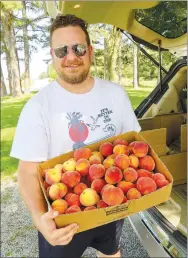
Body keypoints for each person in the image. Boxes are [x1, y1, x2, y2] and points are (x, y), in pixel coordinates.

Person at [10, 14, 141, 258]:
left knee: (111, 253)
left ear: (90, 51)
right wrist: (40, 219)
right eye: (62, 50)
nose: (71, 57)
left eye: (79, 48)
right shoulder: (38, 107)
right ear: (53, 55)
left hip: (109, 202)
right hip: (64, 213)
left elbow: (133, 144)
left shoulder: (116, 95)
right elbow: (27, 172)